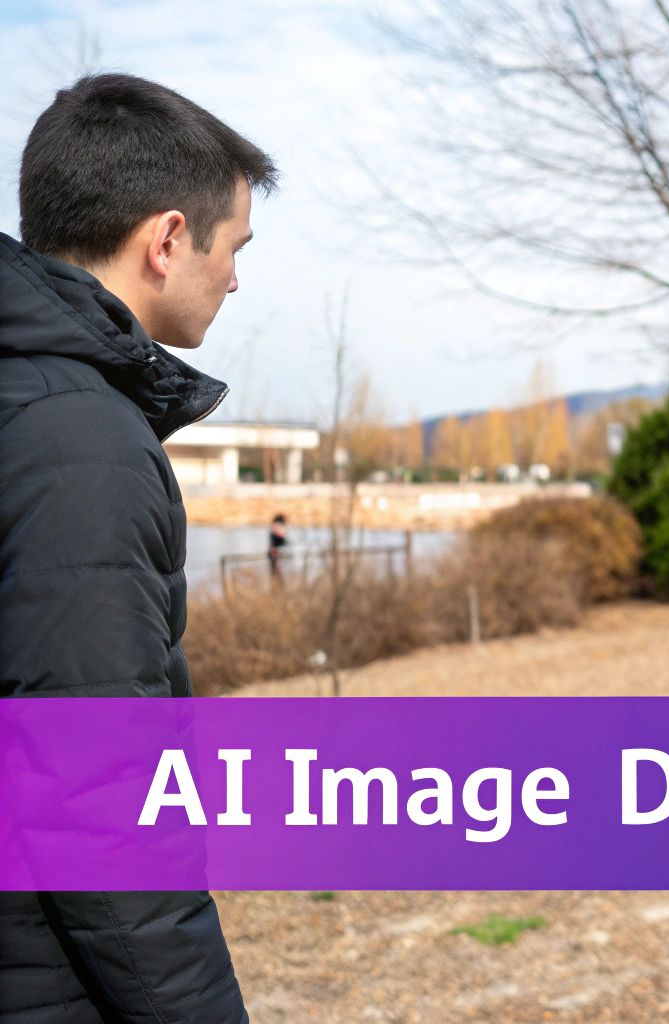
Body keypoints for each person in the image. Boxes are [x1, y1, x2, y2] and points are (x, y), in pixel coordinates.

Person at [0, 73, 274, 1020]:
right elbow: (97, 804)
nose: (235, 277)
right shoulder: (80, 439)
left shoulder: (25, 398)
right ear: (166, 241)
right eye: (232, 247)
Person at [268, 512, 290, 584]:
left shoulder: (274, 527)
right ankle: (277, 586)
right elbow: (282, 534)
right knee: (276, 572)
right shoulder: (276, 527)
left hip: (276, 552)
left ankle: (278, 585)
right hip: (275, 553)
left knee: (277, 572)